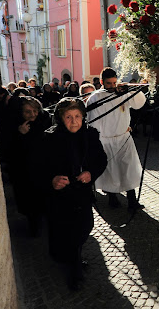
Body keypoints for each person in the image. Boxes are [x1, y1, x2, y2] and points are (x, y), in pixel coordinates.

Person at [43, 98, 107, 290]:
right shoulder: (49, 138)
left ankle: (74, 257)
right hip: (59, 197)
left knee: (85, 226)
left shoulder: (90, 135)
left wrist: (91, 173)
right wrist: (52, 180)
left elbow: (101, 160)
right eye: (68, 117)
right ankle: (74, 270)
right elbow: (37, 166)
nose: (74, 121)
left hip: (81, 193)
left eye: (77, 116)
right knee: (65, 232)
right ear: (61, 119)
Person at [86, 67, 147, 209]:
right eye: (108, 83)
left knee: (128, 169)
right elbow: (93, 122)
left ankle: (132, 200)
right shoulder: (94, 98)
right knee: (110, 171)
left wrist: (129, 90)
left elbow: (139, 104)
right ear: (101, 82)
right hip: (106, 140)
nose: (112, 86)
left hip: (123, 137)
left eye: (114, 82)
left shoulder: (122, 93)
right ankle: (112, 198)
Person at [8, 96, 52, 236]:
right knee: (30, 201)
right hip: (25, 172)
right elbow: (11, 152)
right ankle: (33, 225)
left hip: (44, 169)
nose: (33, 114)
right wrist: (21, 135)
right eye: (28, 112)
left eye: (35, 110)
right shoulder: (14, 125)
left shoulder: (46, 122)